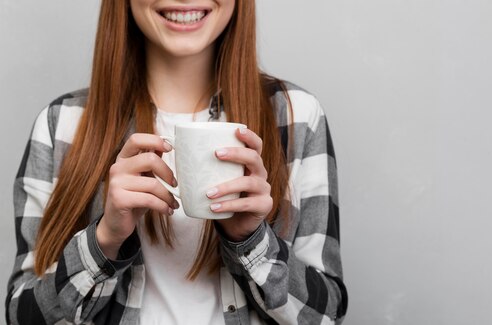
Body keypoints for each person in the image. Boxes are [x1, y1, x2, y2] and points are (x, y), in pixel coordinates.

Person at [5, 1, 347, 324]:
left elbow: (326, 316)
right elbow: (23, 314)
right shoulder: (62, 124)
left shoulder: (296, 116)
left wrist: (252, 241)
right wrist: (105, 239)